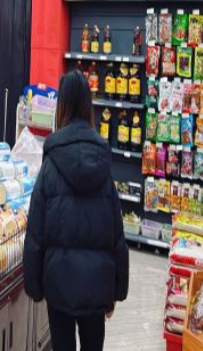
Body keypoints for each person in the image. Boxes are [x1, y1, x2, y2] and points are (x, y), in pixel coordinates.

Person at [23, 70, 130, 351]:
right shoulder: (103, 164)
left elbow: (36, 232)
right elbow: (116, 233)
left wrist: (34, 286)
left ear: (62, 106)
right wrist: (117, 289)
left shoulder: (50, 164)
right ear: (87, 105)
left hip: (58, 284)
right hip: (97, 286)